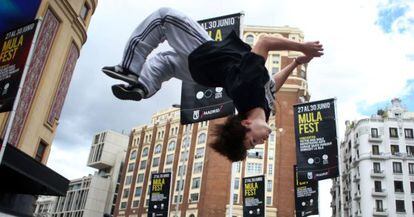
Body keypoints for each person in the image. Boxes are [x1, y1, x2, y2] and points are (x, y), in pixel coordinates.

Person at [102, 7, 323, 161]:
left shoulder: (248, 87)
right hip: (202, 75)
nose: (260, 143)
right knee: (166, 63)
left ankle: (129, 68)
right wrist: (295, 63)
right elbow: (273, 84)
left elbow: (264, 41)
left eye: (252, 141)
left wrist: (303, 46)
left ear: (246, 125)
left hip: (206, 56)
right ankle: (143, 87)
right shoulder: (261, 106)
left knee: (164, 18)